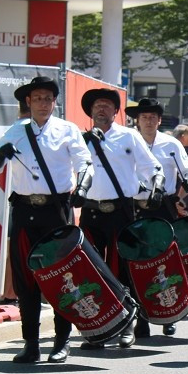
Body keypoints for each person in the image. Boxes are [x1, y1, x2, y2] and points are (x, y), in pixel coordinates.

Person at [0, 76, 92, 365]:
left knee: (61, 276)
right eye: (38, 99)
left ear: (55, 102)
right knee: (25, 279)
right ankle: (30, 344)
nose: (43, 104)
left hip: (56, 210)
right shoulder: (15, 131)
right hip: (23, 210)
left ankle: (62, 341)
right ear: (28, 102)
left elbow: (85, 163)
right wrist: (0, 154)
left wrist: (82, 189)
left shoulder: (67, 130)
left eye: (48, 98)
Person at [77, 88, 164, 350]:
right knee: (90, 272)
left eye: (107, 105)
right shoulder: (82, 139)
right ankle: (97, 329)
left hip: (121, 211)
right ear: (91, 112)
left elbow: (152, 167)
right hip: (91, 211)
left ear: (116, 112)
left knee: (121, 269)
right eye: (97, 106)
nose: (101, 109)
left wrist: (156, 187)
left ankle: (127, 324)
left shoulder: (129, 136)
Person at [126, 97, 188, 338]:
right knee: (137, 262)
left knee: (168, 260)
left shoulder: (171, 144)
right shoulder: (128, 141)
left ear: (160, 120)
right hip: (135, 205)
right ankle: (141, 318)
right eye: (144, 117)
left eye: (153, 117)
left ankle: (171, 314)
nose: (148, 121)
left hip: (164, 206)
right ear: (137, 120)